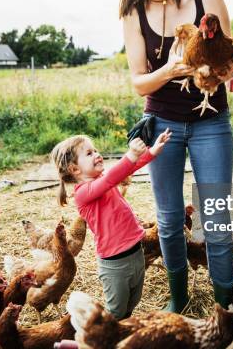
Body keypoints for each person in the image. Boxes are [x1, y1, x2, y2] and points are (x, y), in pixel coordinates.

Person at [114, 0, 233, 311]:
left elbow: (229, 63)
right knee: (168, 220)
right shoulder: (133, 13)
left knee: (215, 218)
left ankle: (224, 305)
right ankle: (179, 297)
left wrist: (214, 72)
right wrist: (169, 70)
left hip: (210, 122)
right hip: (162, 122)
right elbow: (138, 83)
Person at [50, 130, 171, 319]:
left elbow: (127, 170)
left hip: (136, 253)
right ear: (75, 169)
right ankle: (101, 339)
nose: (97, 154)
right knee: (116, 311)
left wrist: (152, 151)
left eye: (95, 150)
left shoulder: (102, 180)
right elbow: (112, 177)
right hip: (115, 264)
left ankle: (121, 334)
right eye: (89, 153)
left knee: (133, 301)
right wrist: (130, 155)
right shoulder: (83, 193)